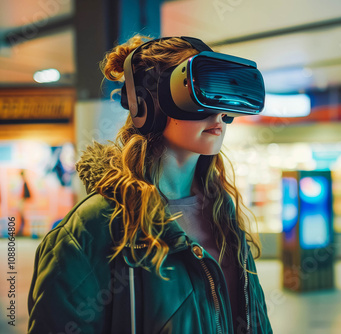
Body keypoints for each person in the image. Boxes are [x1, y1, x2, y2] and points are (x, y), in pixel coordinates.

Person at [27, 35, 273, 333]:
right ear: (145, 106)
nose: (217, 113)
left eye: (220, 95)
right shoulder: (92, 228)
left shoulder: (221, 211)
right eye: (198, 94)